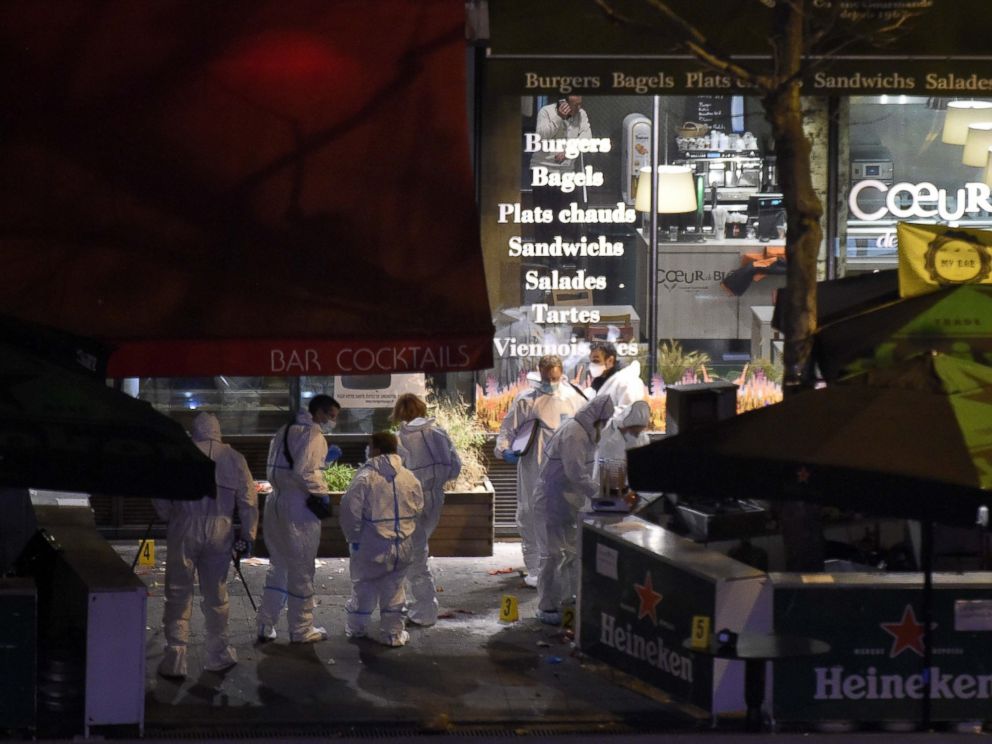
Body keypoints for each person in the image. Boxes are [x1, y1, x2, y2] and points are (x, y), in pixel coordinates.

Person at [154, 411, 258, 678]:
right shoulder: (234, 458)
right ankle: (218, 654)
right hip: (220, 529)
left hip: (184, 526)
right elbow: (248, 501)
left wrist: (170, 516)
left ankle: (176, 657)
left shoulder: (178, 455)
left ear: (195, 431)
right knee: (216, 593)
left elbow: (160, 494)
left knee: (178, 591)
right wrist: (248, 535)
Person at [494, 354, 586, 586]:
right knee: (531, 515)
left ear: (561, 373)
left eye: (554, 378)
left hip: (565, 469)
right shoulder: (526, 401)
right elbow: (507, 431)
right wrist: (504, 450)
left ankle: (566, 568)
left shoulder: (575, 399)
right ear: (540, 374)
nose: (551, 383)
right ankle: (535, 569)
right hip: (534, 467)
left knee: (566, 516)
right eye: (547, 378)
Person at [255, 394, 340, 644]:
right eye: (332, 416)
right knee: (302, 567)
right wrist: (321, 494)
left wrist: (323, 463)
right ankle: (302, 628)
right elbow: (305, 472)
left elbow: (287, 466)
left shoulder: (284, 430)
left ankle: (265, 623)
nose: (332, 422)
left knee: (278, 565)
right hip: (298, 508)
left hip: (275, 504)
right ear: (320, 413)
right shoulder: (314, 436)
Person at [534, 394, 615, 625]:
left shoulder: (583, 432)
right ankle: (547, 606)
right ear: (597, 418)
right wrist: (600, 495)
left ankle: (566, 600)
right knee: (551, 554)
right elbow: (575, 473)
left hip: (567, 501)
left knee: (569, 552)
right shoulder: (575, 434)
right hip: (552, 500)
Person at [340, 431, 424, 647]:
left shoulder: (365, 477)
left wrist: (353, 538)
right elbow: (419, 506)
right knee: (395, 590)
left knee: (364, 587)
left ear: (376, 449)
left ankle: (357, 628)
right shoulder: (409, 477)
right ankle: (393, 635)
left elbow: (350, 511)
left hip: (371, 544)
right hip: (403, 545)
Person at [390, 393, 461, 627]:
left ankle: (425, 609)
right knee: (418, 548)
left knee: (416, 555)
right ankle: (418, 605)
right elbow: (455, 466)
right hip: (435, 497)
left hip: (411, 500)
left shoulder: (399, 440)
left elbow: (391, 473)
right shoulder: (439, 433)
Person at [529, 95, 592, 248]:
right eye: (574, 105)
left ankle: (561, 253)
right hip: (543, 169)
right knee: (544, 215)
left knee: (564, 215)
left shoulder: (581, 115)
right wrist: (559, 118)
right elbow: (541, 136)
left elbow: (587, 138)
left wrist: (569, 150)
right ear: (564, 103)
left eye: (580, 104)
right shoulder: (546, 111)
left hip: (566, 172)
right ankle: (543, 255)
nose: (577, 108)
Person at [586, 340, 646, 424]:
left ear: (610, 360)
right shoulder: (598, 383)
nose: (592, 365)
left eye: (596, 361)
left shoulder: (627, 381)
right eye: (591, 361)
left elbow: (628, 414)